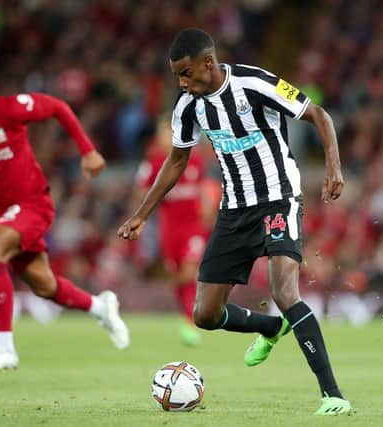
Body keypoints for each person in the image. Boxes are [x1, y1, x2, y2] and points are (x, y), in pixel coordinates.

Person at [119, 28, 351, 415]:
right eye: (178, 75)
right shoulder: (187, 106)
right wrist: (142, 214)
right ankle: (270, 328)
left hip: (279, 198)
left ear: (208, 63)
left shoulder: (254, 82)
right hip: (235, 210)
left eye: (187, 73)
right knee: (205, 315)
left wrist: (334, 166)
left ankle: (332, 394)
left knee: (284, 291)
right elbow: (176, 160)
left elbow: (317, 114)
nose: (182, 82)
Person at [0, 53, 130, 372]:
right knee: (44, 286)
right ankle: (100, 306)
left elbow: (58, 108)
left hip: (33, 203)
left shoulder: (7, 109)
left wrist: (88, 151)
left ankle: (4, 347)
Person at [135, 115, 209, 346]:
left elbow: (203, 186)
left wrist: (206, 205)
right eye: (163, 134)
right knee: (177, 277)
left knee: (188, 272)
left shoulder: (194, 159)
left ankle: (191, 321)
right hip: (169, 229)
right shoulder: (153, 163)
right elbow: (140, 192)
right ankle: (188, 315)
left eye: (169, 133)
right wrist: (158, 196)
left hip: (193, 227)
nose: (166, 137)